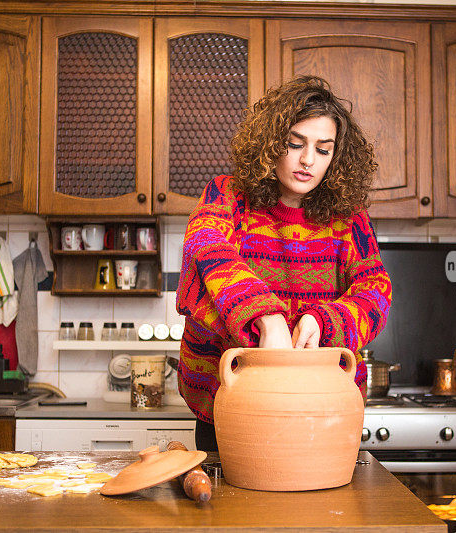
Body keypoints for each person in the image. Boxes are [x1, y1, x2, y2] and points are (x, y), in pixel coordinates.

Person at [176, 75, 392, 451]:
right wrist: (265, 316)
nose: (308, 160)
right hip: (229, 404)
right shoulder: (227, 195)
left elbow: (376, 292)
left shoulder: (350, 218)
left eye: (323, 150)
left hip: (320, 410)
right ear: (271, 143)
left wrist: (322, 321)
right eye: (295, 143)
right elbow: (206, 247)